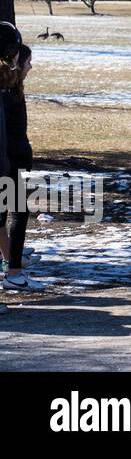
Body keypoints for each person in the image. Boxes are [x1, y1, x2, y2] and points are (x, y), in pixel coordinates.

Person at [1, 41, 39, 293]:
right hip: (7, 163)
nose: (31, 66)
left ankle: (12, 263)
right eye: (27, 61)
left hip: (10, 161)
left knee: (7, 215)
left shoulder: (12, 90)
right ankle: (13, 270)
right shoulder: (8, 94)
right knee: (15, 213)